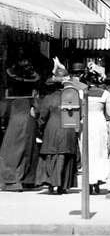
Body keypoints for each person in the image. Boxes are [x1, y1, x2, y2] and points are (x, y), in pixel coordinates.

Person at [35, 61, 79, 195]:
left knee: (51, 157)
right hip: (69, 130)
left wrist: (40, 129)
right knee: (65, 158)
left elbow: (42, 117)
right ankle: (63, 185)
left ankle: (51, 184)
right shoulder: (73, 96)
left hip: (52, 130)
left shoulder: (49, 98)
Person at [0, 53, 41, 191]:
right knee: (29, 150)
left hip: (15, 118)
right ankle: (27, 180)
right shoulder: (32, 90)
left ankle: (12, 181)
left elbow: (4, 111)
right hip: (28, 118)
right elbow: (37, 108)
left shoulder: (10, 93)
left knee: (10, 151)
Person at [83, 64, 110, 194]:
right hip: (100, 123)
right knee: (100, 152)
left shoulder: (82, 93)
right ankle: (98, 180)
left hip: (86, 123)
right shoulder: (105, 94)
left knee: (87, 151)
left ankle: (89, 181)